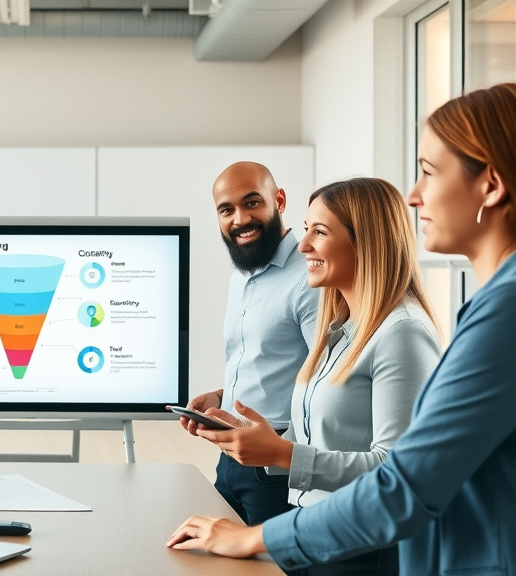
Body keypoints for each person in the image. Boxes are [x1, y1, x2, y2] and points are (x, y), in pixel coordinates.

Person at [167, 83, 516, 575]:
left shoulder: (474, 319)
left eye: (429, 172)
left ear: (492, 186)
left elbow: (404, 484)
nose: (413, 196)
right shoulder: (354, 326)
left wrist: (257, 532)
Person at [193, 177, 441, 575]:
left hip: (361, 548)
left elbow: (397, 472)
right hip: (313, 530)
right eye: (306, 229)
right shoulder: (341, 328)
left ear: (367, 241)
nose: (304, 244)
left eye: (319, 232)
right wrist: (254, 440)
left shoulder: (402, 332)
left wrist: (279, 453)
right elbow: (324, 437)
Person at [181, 161, 319, 526]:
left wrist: (281, 451)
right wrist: (220, 396)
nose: (240, 219)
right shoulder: (243, 272)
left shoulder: (311, 277)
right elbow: (265, 360)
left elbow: (326, 383)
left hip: (275, 462)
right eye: (227, 210)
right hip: (229, 456)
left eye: (252, 203)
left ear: (280, 200)